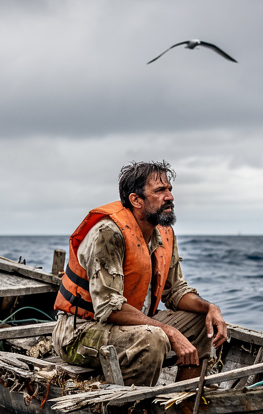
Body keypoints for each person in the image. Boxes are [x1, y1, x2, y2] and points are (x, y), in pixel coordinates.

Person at [52, 160, 227, 387]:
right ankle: (132, 403)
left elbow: (176, 291)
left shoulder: (164, 232)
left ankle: (185, 398)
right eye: (160, 191)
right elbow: (109, 307)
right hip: (80, 333)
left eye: (169, 189)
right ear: (136, 200)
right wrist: (169, 331)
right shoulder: (108, 233)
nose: (170, 197)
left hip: (133, 326)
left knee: (202, 321)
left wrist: (210, 308)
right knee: (153, 338)